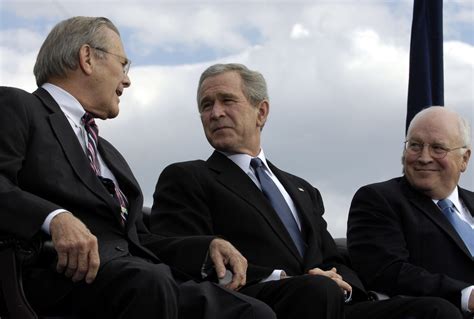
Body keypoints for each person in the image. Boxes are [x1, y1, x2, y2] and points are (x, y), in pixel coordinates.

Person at [0, 18, 275, 319]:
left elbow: (139, 240)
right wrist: (54, 218)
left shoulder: (110, 155)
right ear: (88, 58)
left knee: (252, 312)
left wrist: (207, 247)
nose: (127, 80)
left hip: (139, 277)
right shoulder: (17, 106)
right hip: (62, 279)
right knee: (150, 283)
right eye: (123, 64)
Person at [150, 63, 462, 319]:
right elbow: (175, 251)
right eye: (206, 105)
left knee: (437, 311)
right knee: (315, 290)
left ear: (262, 112)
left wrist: (345, 284)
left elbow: (332, 259)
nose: (215, 113)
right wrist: (284, 279)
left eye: (227, 101)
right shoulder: (188, 177)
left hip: (331, 301)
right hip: (256, 301)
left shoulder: (301, 189)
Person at [347, 106, 473, 318]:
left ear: (465, 159)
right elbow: (386, 271)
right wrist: (465, 295)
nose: (424, 157)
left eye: (438, 148)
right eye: (415, 146)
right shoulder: (379, 200)